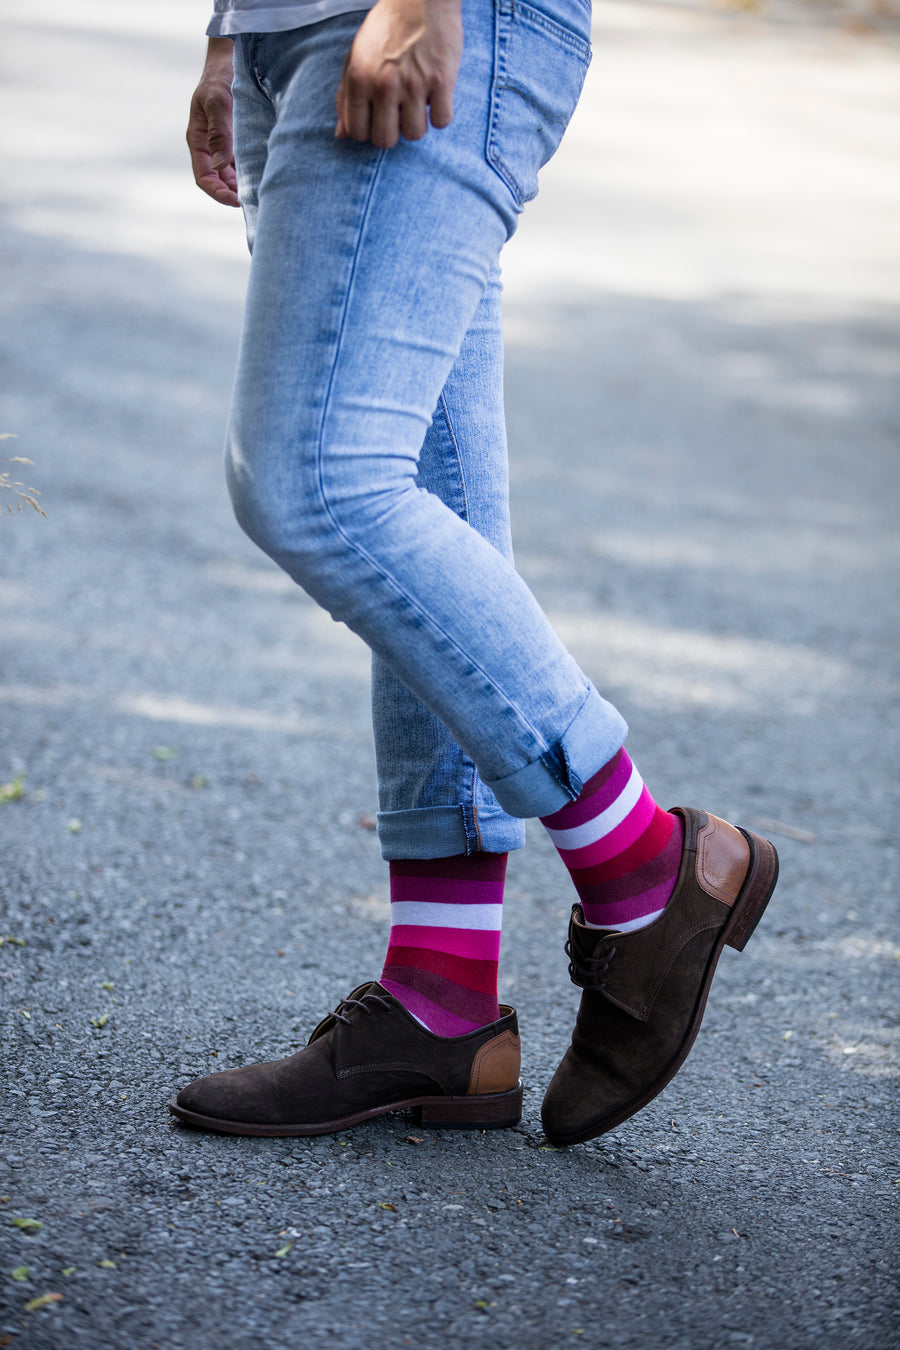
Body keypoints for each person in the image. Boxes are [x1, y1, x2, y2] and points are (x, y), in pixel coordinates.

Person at [170, 0, 778, 1147]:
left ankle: (647, 859)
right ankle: (440, 1004)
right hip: (289, 29)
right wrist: (227, 31)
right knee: (423, 501)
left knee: (317, 479)